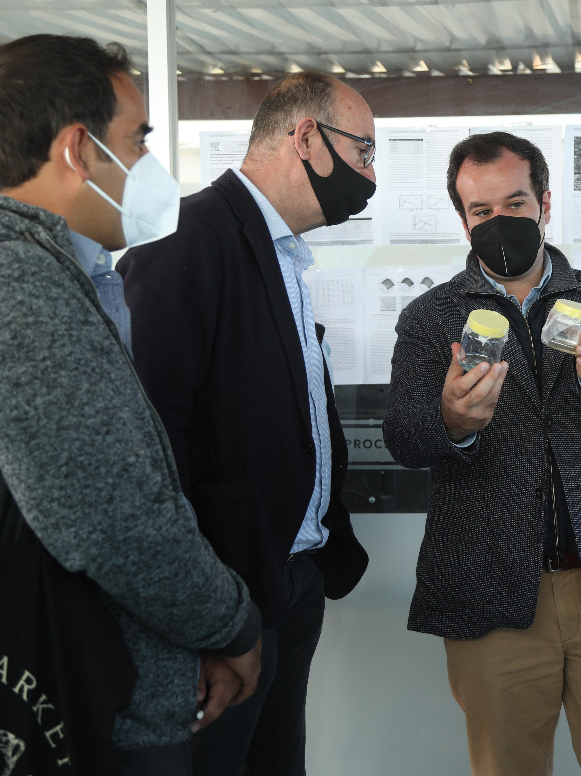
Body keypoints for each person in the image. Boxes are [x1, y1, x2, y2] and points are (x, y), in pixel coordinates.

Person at [0, 34, 262, 775]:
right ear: (80, 149)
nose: (148, 162)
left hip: (77, 683)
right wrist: (230, 624)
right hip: (76, 701)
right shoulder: (13, 287)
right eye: (137, 141)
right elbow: (114, 516)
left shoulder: (50, 273)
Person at [383, 131, 581, 776]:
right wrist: (449, 420)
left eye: (515, 204)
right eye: (481, 211)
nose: (500, 223)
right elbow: (402, 437)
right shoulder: (430, 317)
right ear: (463, 220)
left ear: (545, 204)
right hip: (489, 591)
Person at [118, 71, 373, 776]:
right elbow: (152, 442)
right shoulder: (187, 239)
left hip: (288, 578)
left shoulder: (282, 251)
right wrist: (203, 612)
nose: (370, 175)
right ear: (306, 137)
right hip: (225, 596)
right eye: (363, 151)